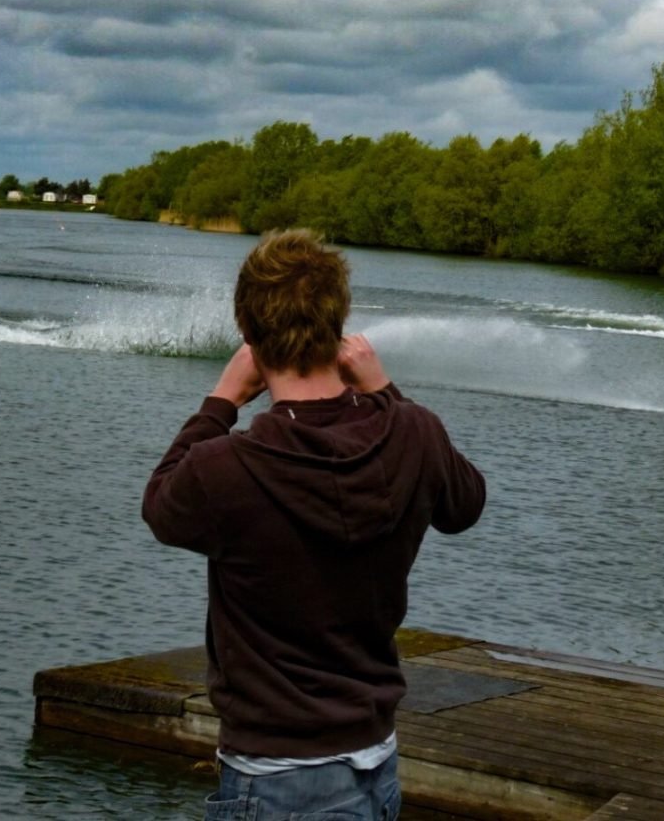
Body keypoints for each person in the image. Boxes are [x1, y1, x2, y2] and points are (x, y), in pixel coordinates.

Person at [143, 229, 486, 821]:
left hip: (275, 778)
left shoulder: (226, 467)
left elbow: (160, 506)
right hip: (375, 763)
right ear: (339, 326)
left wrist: (221, 400)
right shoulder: (414, 432)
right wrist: (385, 390)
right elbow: (464, 504)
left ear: (248, 336)